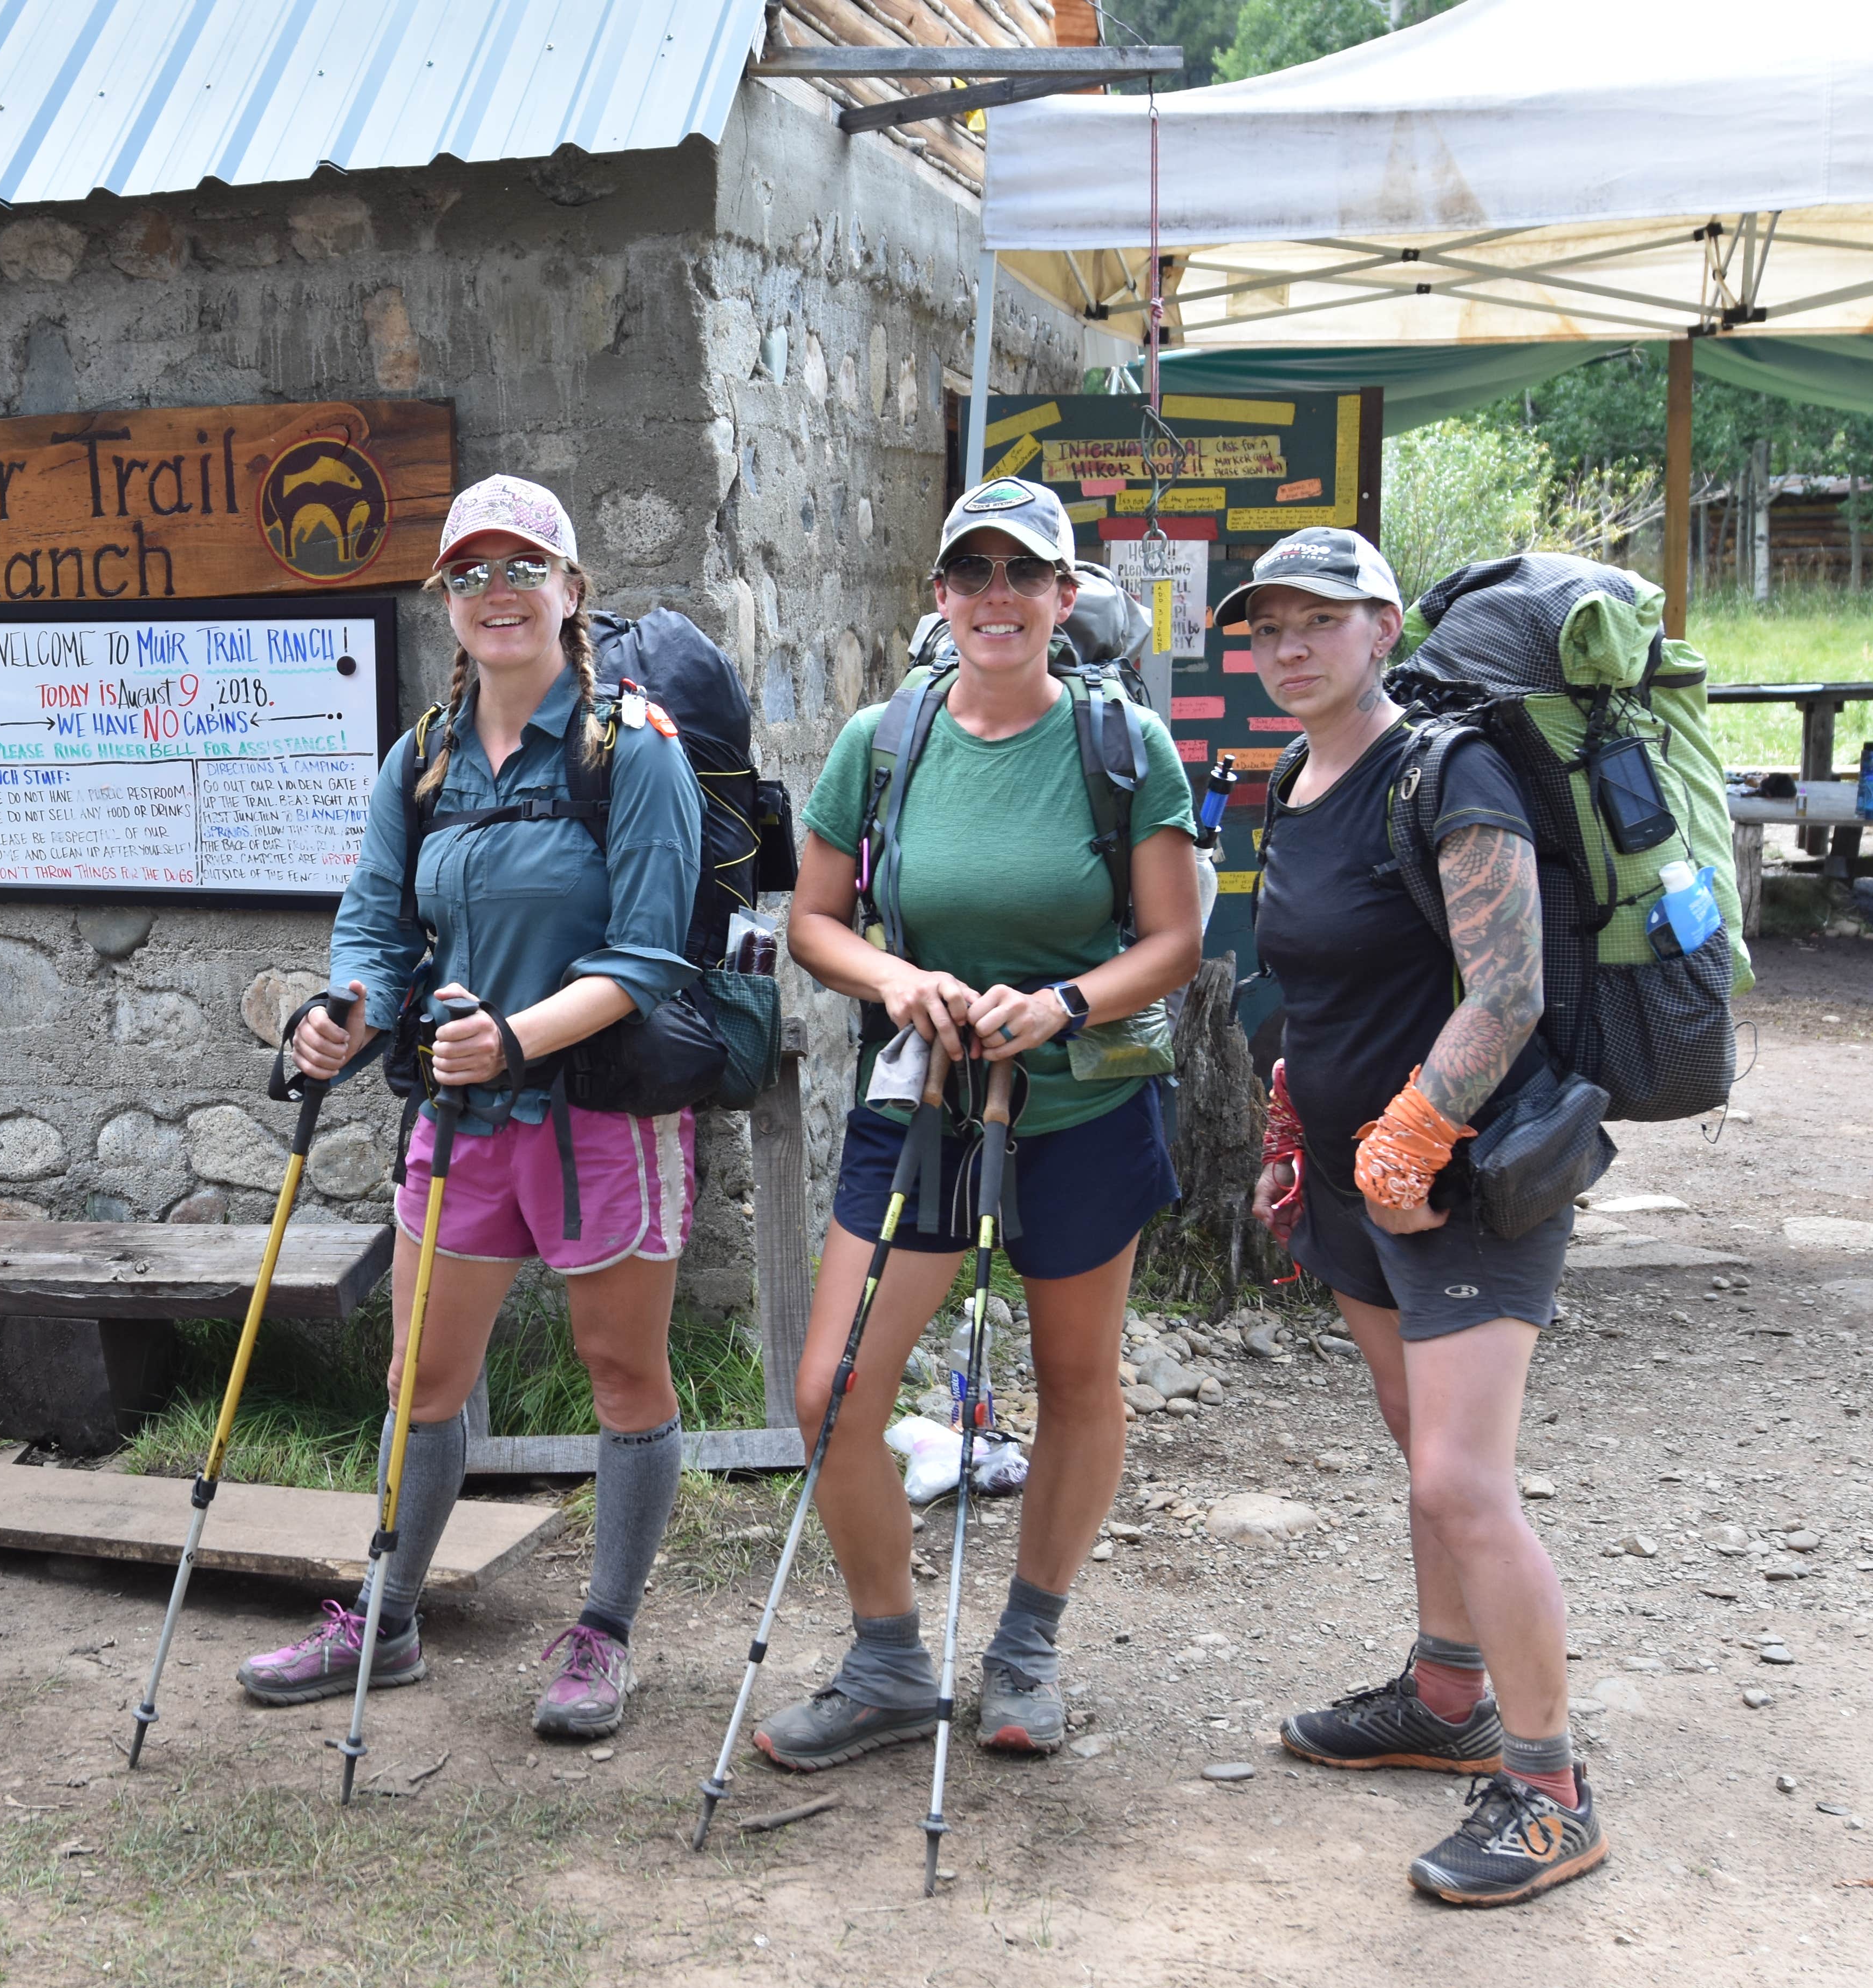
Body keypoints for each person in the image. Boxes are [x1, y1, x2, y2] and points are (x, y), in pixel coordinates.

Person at [761, 476, 1200, 1775]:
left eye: (1025, 574)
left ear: (1066, 600)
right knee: (831, 1389)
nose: (996, 596)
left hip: (1086, 1099)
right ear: (941, 596)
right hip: (927, 1097)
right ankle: (890, 1657)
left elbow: (1175, 939)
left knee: (1073, 1378)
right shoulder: (880, 741)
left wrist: (1061, 1001)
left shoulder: (1122, 746)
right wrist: (897, 978)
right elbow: (814, 921)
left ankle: (1026, 1649)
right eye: (973, 573)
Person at [265, 474, 703, 1742]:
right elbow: (376, 919)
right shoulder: (427, 752)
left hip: (599, 1116)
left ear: (572, 592)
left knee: (623, 1373)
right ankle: (389, 1615)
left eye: (523, 568)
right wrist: (345, 1009)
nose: (496, 593)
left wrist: (515, 1035)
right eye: (470, 573)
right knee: (422, 1376)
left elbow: (646, 958)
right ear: (444, 602)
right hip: (462, 1122)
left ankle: (604, 1632)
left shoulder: (637, 748)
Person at [1231, 526, 1605, 1905]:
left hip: (1462, 1169)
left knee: (1460, 1475)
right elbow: (1335, 979)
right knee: (1415, 1441)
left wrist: (1414, 1129)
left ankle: (1553, 1787)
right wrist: (1296, 1111)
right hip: (1349, 1169)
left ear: (1384, 626)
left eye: (1318, 620)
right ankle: (1449, 1696)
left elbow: (1507, 989)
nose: (1289, 646)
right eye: (1268, 626)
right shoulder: (1300, 772)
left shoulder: (1451, 771)